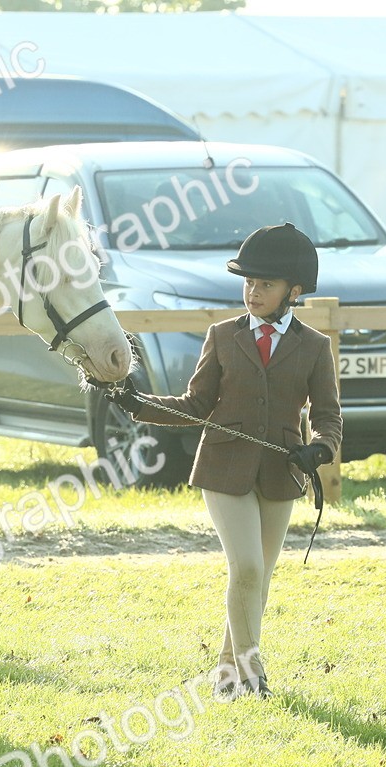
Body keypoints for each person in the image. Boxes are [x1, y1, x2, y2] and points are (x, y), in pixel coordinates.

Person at [105, 222, 343, 699]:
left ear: (292, 292)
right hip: (223, 469)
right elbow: (195, 405)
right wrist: (136, 402)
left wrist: (318, 447)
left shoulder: (315, 347)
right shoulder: (222, 335)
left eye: (266, 284)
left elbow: (328, 415)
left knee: (258, 578)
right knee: (247, 568)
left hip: (281, 473)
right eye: (248, 282)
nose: (253, 292)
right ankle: (253, 675)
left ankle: (225, 673)